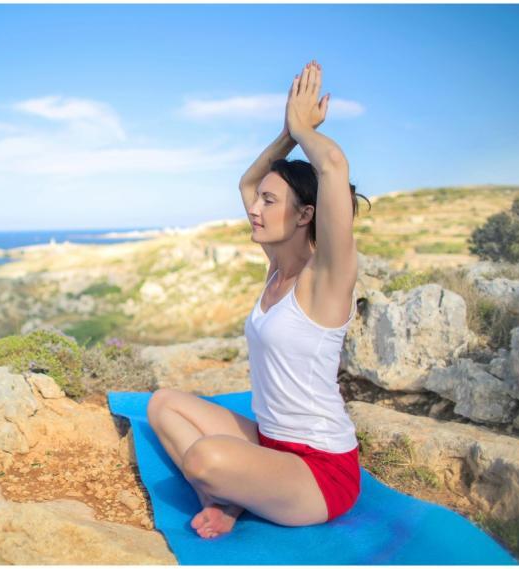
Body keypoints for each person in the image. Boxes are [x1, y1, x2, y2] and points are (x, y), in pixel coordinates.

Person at [146, 59, 371, 539]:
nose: (254, 208)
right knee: (163, 404)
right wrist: (286, 136)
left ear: (305, 215)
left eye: (270, 202)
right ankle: (226, 497)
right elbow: (248, 182)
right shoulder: (277, 268)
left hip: (321, 471)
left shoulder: (326, 279)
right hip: (270, 444)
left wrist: (304, 130)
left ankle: (226, 491)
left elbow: (333, 165)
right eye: (259, 201)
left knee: (204, 458)